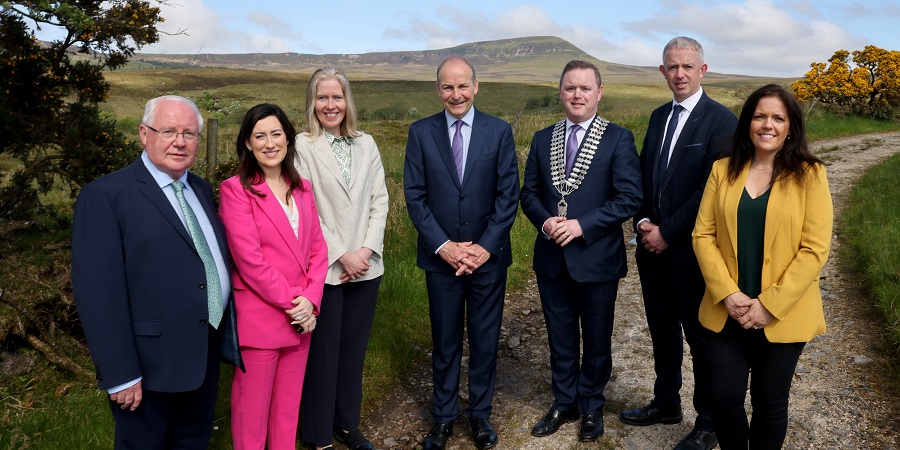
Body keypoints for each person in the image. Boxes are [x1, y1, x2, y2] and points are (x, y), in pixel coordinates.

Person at [72, 95, 244, 449]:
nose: (180, 142)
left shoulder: (199, 188)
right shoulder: (106, 195)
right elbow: (98, 294)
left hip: (202, 356)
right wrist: (121, 374)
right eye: (168, 131)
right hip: (147, 369)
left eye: (189, 133)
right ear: (143, 134)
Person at [692, 84, 832, 449]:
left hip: (784, 313)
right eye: (759, 116)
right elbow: (702, 236)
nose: (767, 124)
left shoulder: (811, 175)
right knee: (723, 398)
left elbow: (814, 249)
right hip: (727, 310)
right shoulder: (723, 170)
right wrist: (727, 293)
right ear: (747, 122)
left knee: (770, 403)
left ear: (790, 127)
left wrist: (769, 304)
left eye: (777, 118)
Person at [620, 36, 737, 450]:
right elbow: (645, 178)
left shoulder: (721, 121)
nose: (680, 74)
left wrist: (667, 232)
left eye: (687, 66)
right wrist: (645, 222)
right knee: (661, 331)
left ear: (702, 70)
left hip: (693, 253)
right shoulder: (657, 117)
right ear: (662, 72)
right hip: (653, 251)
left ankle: (707, 422)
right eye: (672, 66)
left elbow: (711, 189)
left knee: (701, 336)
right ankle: (666, 402)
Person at [520, 60, 642, 442]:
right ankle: (564, 401)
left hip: (597, 257)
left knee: (596, 336)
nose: (577, 95)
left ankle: (591, 405)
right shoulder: (543, 139)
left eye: (585, 88)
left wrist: (581, 225)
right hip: (552, 257)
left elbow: (629, 198)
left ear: (599, 93)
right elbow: (529, 194)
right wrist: (546, 222)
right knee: (559, 336)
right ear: (561, 92)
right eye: (570, 88)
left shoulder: (618, 138)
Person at [403, 56, 519, 450]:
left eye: (463, 85)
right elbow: (415, 198)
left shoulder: (499, 131)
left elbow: (508, 196)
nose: (456, 94)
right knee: (446, 341)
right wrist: (445, 247)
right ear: (438, 90)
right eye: (448, 87)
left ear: (476, 86)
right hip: (441, 260)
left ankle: (481, 416)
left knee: (485, 341)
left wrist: (485, 248)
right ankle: (443, 419)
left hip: (488, 261)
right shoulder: (420, 133)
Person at [218, 103, 328, 450]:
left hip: (301, 321)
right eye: (259, 136)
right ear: (247, 144)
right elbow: (250, 261)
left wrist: (310, 301)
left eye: (276, 134)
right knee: (252, 419)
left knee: (286, 415)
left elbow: (318, 250)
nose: (270, 143)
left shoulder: (303, 188)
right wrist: (295, 302)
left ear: (287, 138)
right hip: (263, 320)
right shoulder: (236, 190)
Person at [295, 67, 388, 450]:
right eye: (322, 97)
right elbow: (306, 210)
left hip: (367, 268)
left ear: (347, 101)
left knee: (352, 353)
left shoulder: (366, 143)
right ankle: (317, 434)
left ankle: (347, 424)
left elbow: (379, 200)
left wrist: (365, 251)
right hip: (327, 270)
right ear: (312, 103)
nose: (330, 105)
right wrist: (342, 255)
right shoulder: (301, 146)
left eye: (337, 97)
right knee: (323, 356)